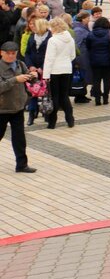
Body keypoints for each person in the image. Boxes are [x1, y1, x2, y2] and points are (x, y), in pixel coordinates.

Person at [0, 42, 36, 173]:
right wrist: (15, 79)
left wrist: (32, 76)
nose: (11, 56)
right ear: (1, 53)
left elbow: (27, 78)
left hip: (18, 108)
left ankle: (21, 165)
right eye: (8, 53)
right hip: (2, 109)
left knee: (19, 138)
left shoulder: (20, 64)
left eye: (13, 53)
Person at [42, 17, 77, 130]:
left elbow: (49, 59)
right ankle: (70, 119)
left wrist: (46, 75)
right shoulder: (70, 38)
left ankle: (52, 122)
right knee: (64, 96)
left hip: (54, 70)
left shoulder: (53, 40)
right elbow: (73, 55)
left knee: (55, 96)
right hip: (67, 68)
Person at [83, 16, 110, 106]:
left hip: (94, 60)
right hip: (108, 60)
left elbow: (88, 46)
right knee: (106, 79)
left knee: (96, 80)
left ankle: (97, 99)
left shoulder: (91, 34)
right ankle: (105, 98)